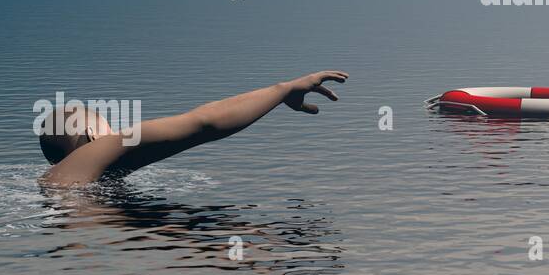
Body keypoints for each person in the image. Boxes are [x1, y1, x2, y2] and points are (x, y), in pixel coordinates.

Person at [39, 71, 348, 185]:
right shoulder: (93, 156)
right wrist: (283, 90)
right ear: (93, 137)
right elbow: (202, 124)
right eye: (111, 127)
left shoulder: (63, 182)